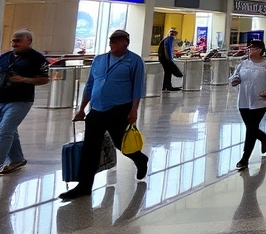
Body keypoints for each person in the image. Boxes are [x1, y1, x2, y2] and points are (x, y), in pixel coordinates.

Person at [59, 30, 149, 200]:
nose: (112, 44)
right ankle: (84, 186)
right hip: (97, 109)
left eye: (117, 41)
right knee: (90, 148)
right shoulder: (100, 60)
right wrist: (81, 109)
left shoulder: (134, 60)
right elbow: (90, 85)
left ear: (126, 43)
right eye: (111, 41)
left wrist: (134, 110)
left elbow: (138, 87)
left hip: (120, 109)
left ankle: (140, 158)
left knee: (120, 143)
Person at [0, 29, 49, 175]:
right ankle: (17, 159)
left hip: (20, 100)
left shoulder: (37, 59)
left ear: (28, 40)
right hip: (2, 99)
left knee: (5, 130)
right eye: (13, 40)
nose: (14, 43)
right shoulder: (5, 57)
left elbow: (44, 79)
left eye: (18, 40)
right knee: (10, 129)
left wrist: (23, 79)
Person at [229, 37, 266, 169]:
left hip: (259, 101)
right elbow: (235, 75)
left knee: (251, 129)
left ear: (260, 49)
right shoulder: (243, 63)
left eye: (253, 48)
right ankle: (263, 137)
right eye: (249, 48)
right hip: (244, 100)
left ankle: (245, 158)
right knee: (251, 127)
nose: (250, 50)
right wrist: (235, 80)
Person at [158, 27, 183, 91]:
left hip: (163, 58)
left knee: (167, 72)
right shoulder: (169, 39)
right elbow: (167, 49)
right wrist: (169, 58)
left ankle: (165, 86)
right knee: (168, 72)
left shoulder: (165, 39)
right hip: (166, 58)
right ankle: (168, 86)